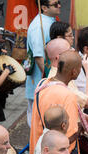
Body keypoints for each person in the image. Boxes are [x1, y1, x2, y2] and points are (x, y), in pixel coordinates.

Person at [28, 50, 87, 154]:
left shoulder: (42, 84)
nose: (81, 71)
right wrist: (81, 127)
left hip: (40, 152)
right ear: (74, 72)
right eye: (80, 68)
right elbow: (69, 137)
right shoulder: (68, 95)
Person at [25, 0, 59, 128]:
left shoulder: (49, 20)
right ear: (44, 7)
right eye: (55, 4)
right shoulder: (40, 25)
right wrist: (50, 79)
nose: (59, 6)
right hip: (41, 83)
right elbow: (39, 56)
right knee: (40, 126)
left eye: (59, 2)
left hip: (45, 83)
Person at [45, 38, 88, 109]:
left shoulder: (60, 72)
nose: (73, 51)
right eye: (69, 51)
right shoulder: (59, 79)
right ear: (58, 57)